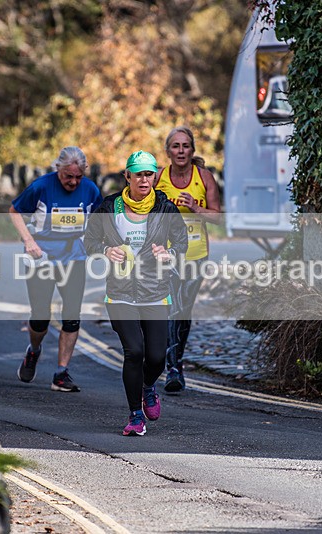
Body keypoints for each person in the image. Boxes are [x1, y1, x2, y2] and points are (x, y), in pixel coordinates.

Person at [85, 150, 188, 436]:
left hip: (155, 292)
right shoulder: (109, 207)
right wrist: (106, 250)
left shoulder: (165, 208)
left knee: (156, 357)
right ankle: (134, 415)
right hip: (119, 293)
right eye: (138, 174)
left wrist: (168, 254)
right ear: (127, 176)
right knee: (134, 352)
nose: (144, 180)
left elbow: (182, 243)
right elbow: (89, 241)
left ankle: (148, 387)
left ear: (155, 176)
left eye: (149, 174)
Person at [9, 146, 102, 392]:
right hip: (42, 256)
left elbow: (100, 221)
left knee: (71, 316)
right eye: (67, 176)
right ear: (57, 169)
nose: (73, 181)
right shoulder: (41, 187)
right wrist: (28, 240)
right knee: (40, 316)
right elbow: (14, 211)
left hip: (74, 256)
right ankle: (34, 350)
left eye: (78, 176)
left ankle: (61, 374)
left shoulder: (91, 190)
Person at [155, 126, 222, 393]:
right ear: (168, 151)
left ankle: (175, 359)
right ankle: (173, 368)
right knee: (172, 307)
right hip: (166, 255)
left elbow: (217, 217)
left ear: (192, 151)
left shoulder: (203, 177)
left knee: (183, 310)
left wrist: (196, 208)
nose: (181, 151)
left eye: (185, 146)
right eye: (176, 146)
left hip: (196, 254)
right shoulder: (159, 177)